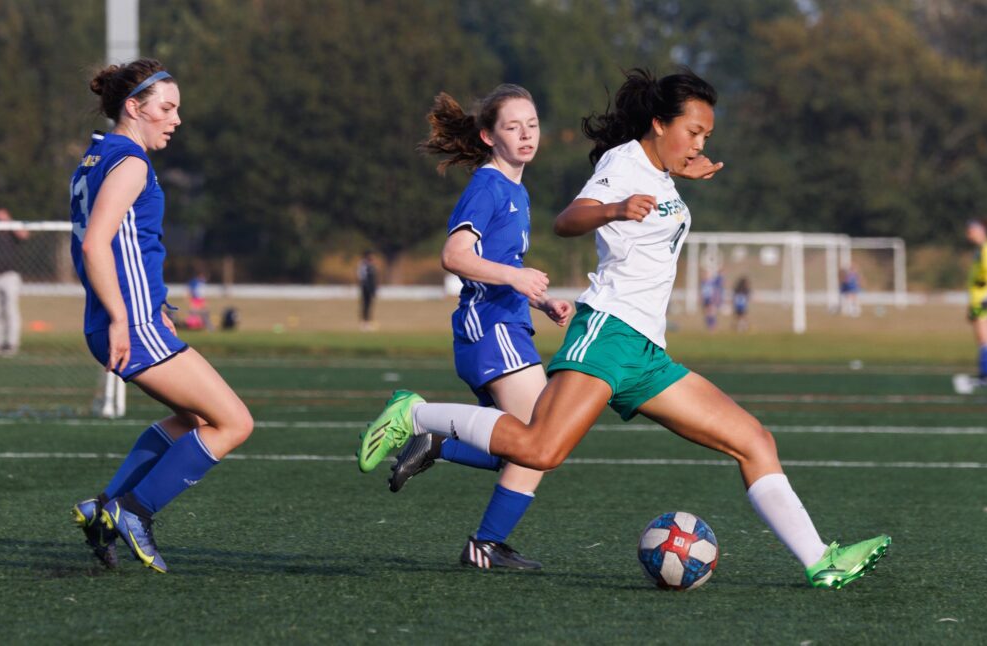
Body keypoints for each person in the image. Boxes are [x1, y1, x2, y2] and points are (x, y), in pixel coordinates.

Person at [359, 69, 890, 588]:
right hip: (608, 334)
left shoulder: (658, 173)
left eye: (706, 135)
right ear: (659, 124)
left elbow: (655, 205)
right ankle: (416, 413)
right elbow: (568, 219)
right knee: (540, 450)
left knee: (753, 440)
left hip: (647, 352)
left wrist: (680, 172)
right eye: (694, 132)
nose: (700, 143)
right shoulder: (624, 161)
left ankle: (821, 559)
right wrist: (613, 207)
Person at [68, 59, 254, 573]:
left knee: (194, 421)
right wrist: (124, 318)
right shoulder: (130, 162)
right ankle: (133, 511)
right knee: (235, 423)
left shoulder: (97, 156)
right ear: (134, 107)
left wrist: (153, 307)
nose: (175, 119)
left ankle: (106, 508)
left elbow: (128, 246)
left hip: (129, 318)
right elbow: (98, 246)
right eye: (167, 108)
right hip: (125, 322)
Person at [378, 85, 573, 570]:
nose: (526, 134)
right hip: (490, 331)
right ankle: (418, 416)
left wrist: (541, 299)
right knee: (543, 440)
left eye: (532, 124)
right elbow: (455, 256)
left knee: (528, 447)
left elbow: (500, 261)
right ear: (489, 135)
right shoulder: (487, 186)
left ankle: (444, 455)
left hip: (506, 326)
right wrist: (516, 277)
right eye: (513, 126)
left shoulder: (516, 189)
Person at [0, 208, 29, 356]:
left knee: (10, 310)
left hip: (9, 275)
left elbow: (24, 234)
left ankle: (11, 344)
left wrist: (9, 222)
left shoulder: (11, 233)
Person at [965, 218, 987, 387]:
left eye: (972, 230)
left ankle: (986, 375)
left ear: (981, 231)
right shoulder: (981, 248)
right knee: (981, 336)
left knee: (984, 336)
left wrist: (982, 283)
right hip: (977, 300)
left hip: (981, 300)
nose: (969, 234)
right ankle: (985, 374)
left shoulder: (986, 248)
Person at [357, 251, 379, 331]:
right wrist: (366, 287)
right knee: (365, 305)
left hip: (370, 288)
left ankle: (368, 322)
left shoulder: (372, 266)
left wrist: (374, 289)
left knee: (369, 305)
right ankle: (364, 323)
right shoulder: (363, 265)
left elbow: (374, 279)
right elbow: (362, 277)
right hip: (366, 288)